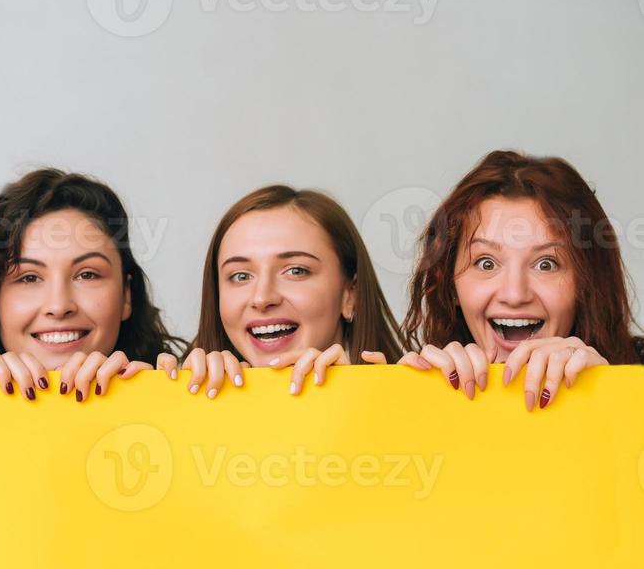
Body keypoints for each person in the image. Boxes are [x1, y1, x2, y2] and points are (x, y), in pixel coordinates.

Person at [397, 150, 644, 409]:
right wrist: (392, 407)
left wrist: (615, 396)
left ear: (586, 284)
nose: (514, 295)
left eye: (546, 264)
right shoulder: (425, 392)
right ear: (451, 286)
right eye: (487, 263)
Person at [157, 184, 404, 395]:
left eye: (296, 271)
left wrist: (369, 401)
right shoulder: (182, 412)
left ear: (351, 293)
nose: (263, 297)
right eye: (241, 276)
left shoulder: (411, 406)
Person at [0, 168, 183, 400]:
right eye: (29, 277)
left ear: (126, 296)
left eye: (87, 275)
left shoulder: (174, 399)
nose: (59, 306)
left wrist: (160, 404)